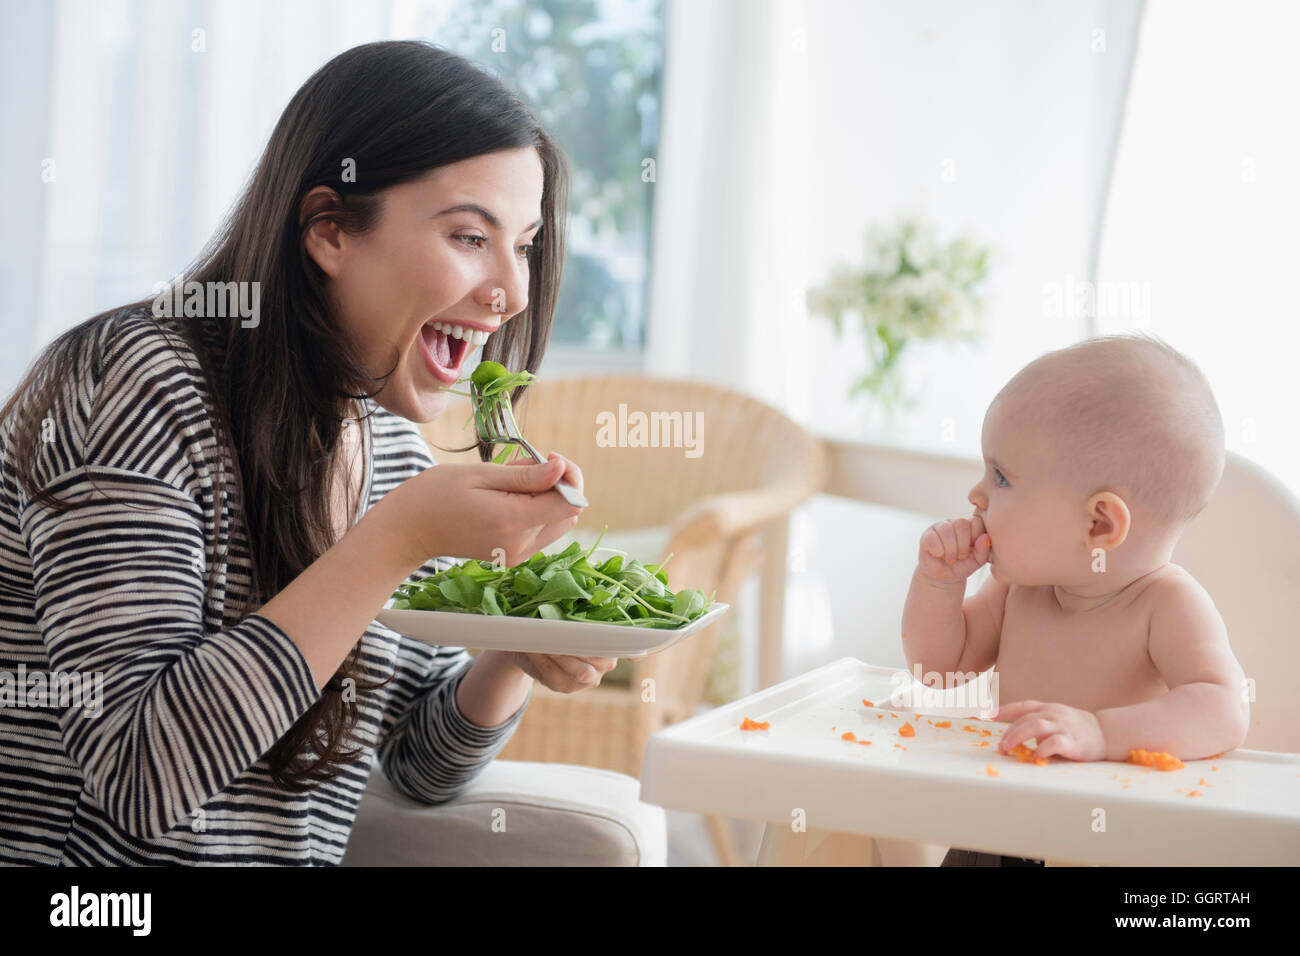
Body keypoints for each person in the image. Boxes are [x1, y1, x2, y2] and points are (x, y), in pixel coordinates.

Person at [0, 40, 618, 865]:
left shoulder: (387, 444)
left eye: (527, 243)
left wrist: (512, 647)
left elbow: (417, 764)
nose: (513, 290)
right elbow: (138, 771)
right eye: (471, 237)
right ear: (329, 231)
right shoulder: (133, 380)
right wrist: (395, 541)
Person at [900, 332, 1249, 866]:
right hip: (1000, 828)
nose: (977, 495)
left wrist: (1102, 731)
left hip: (1106, 843)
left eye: (1001, 477)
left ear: (1099, 523)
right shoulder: (1019, 590)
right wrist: (939, 586)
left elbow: (1223, 709)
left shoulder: (1167, 604)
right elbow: (936, 666)